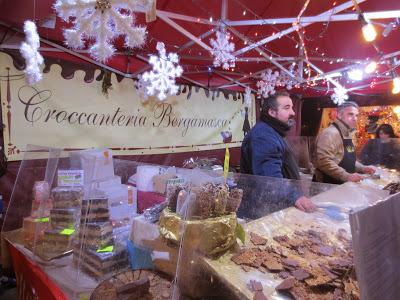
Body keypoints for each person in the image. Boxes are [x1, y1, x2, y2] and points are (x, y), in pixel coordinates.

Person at [240, 91, 316, 213]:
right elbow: (269, 180)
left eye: (292, 107)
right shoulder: (264, 136)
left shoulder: (273, 132)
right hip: (264, 209)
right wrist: (295, 196)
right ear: (271, 112)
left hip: (273, 205)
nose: (293, 113)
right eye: (287, 108)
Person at [314, 101, 375, 184]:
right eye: (350, 114)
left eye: (356, 115)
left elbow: (349, 160)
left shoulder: (346, 134)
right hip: (328, 185)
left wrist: (363, 168)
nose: (355, 118)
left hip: (343, 184)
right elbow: (323, 161)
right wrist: (346, 176)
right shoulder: (330, 133)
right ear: (339, 115)